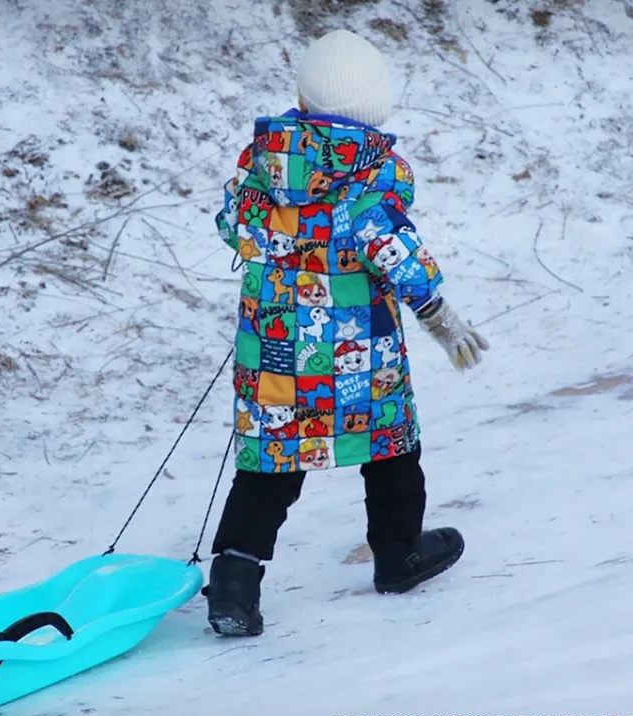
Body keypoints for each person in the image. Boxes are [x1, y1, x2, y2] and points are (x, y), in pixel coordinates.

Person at [202, 28, 490, 637]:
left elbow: (233, 224)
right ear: (372, 111)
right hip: (360, 358)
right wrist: (438, 312)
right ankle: (399, 554)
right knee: (390, 449)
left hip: (276, 351)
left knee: (268, 467)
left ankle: (232, 583)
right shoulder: (369, 180)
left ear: (302, 101)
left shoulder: (261, 169)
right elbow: (397, 251)